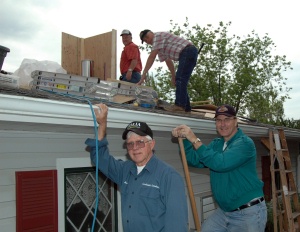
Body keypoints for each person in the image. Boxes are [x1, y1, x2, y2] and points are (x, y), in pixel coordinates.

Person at [85, 103, 188, 232]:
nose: (135, 148)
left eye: (140, 142)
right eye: (130, 144)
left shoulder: (169, 177)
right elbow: (99, 158)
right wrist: (102, 125)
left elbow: (177, 226)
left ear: (152, 144)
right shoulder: (125, 170)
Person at [172, 104, 267, 232]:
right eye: (218, 120)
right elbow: (195, 160)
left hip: (248, 212)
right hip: (224, 211)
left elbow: (220, 163)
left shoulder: (245, 143)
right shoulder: (217, 144)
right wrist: (184, 140)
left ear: (235, 121)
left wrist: (194, 139)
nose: (222, 124)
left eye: (227, 119)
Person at [138, 29, 198, 112]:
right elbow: (168, 61)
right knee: (180, 80)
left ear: (152, 33)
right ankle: (186, 108)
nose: (147, 41)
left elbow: (152, 56)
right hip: (188, 53)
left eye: (147, 37)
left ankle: (180, 105)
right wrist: (173, 76)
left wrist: (144, 74)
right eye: (145, 40)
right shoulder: (160, 47)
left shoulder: (157, 36)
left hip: (187, 51)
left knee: (180, 79)